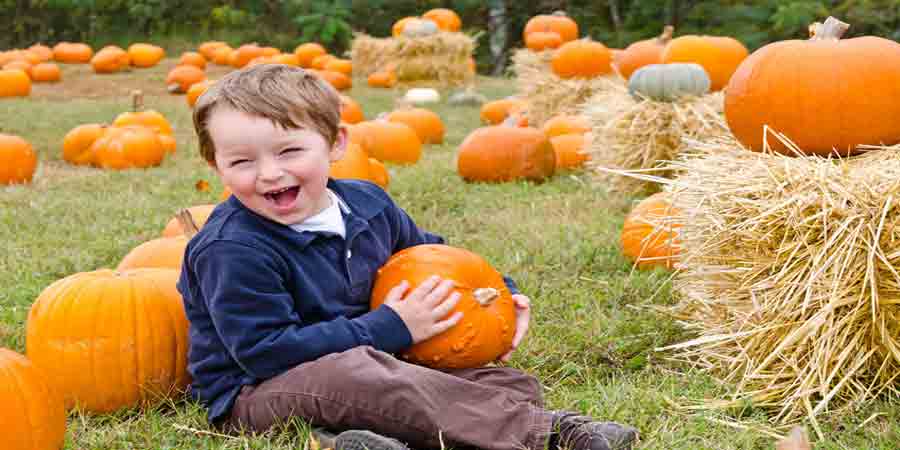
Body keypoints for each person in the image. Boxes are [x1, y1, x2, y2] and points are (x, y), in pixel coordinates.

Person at [177, 63, 639, 450]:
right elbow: (266, 353)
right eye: (241, 162)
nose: (269, 173)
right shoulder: (233, 249)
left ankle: (349, 439)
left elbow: (432, 256)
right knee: (359, 377)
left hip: (381, 360)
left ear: (336, 143)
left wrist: (497, 293)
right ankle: (551, 435)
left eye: (290, 151)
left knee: (501, 380)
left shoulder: (368, 203)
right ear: (216, 164)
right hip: (259, 391)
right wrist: (391, 327)